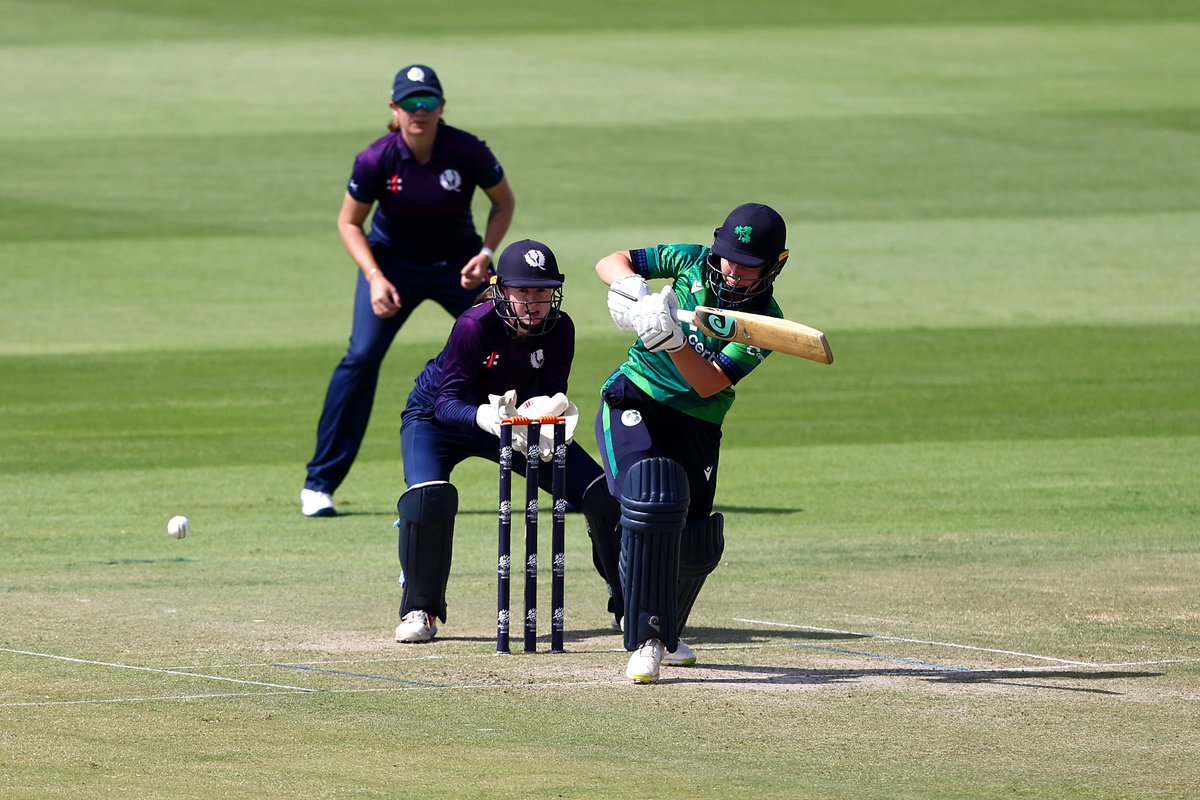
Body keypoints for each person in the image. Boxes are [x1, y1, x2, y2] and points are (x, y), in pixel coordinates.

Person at [301, 63, 516, 517]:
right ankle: (319, 483)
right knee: (360, 359)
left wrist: (486, 252)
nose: (420, 112)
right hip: (392, 268)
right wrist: (375, 276)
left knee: (516, 339)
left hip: (462, 265)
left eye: (429, 102)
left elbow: (502, 202)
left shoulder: (467, 150)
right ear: (394, 109)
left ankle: (555, 473)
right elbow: (349, 222)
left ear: (441, 106)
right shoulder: (376, 158)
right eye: (411, 104)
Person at [593, 202, 792, 683]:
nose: (732, 269)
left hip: (698, 421)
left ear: (776, 264)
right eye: (727, 256)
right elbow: (610, 260)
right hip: (634, 396)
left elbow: (709, 383)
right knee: (653, 499)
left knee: (697, 544)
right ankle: (647, 638)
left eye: (747, 264)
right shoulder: (688, 260)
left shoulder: (766, 322)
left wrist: (675, 341)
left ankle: (664, 621)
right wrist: (632, 290)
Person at [392, 239, 616, 644]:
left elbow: (550, 390)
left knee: (599, 492)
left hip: (512, 421)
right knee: (429, 497)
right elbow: (446, 403)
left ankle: (628, 599)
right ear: (501, 290)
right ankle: (419, 609)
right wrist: (486, 418)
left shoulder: (561, 329)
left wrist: (543, 418)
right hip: (438, 420)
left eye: (543, 291)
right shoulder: (474, 325)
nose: (534, 302)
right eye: (523, 291)